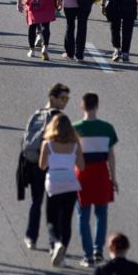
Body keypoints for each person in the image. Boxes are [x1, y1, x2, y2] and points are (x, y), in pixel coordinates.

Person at [19, 85, 71, 250]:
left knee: (36, 202)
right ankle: (54, 242)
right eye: (63, 98)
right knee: (54, 207)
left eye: (67, 99)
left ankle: (31, 237)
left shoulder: (36, 115)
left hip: (34, 164)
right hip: (53, 167)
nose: (65, 102)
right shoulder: (60, 119)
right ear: (52, 98)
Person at [75, 94, 118, 267]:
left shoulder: (74, 128)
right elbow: (111, 155)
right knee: (101, 214)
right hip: (101, 173)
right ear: (97, 106)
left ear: (82, 106)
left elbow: (71, 156)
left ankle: (87, 256)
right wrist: (113, 178)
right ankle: (98, 251)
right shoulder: (107, 128)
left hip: (82, 174)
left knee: (83, 216)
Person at [38, 113, 85, 267]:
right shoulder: (75, 145)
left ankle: (56, 243)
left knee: (51, 220)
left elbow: (42, 166)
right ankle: (62, 254)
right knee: (66, 221)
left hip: (54, 183)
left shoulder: (48, 144)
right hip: (70, 183)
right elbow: (81, 166)